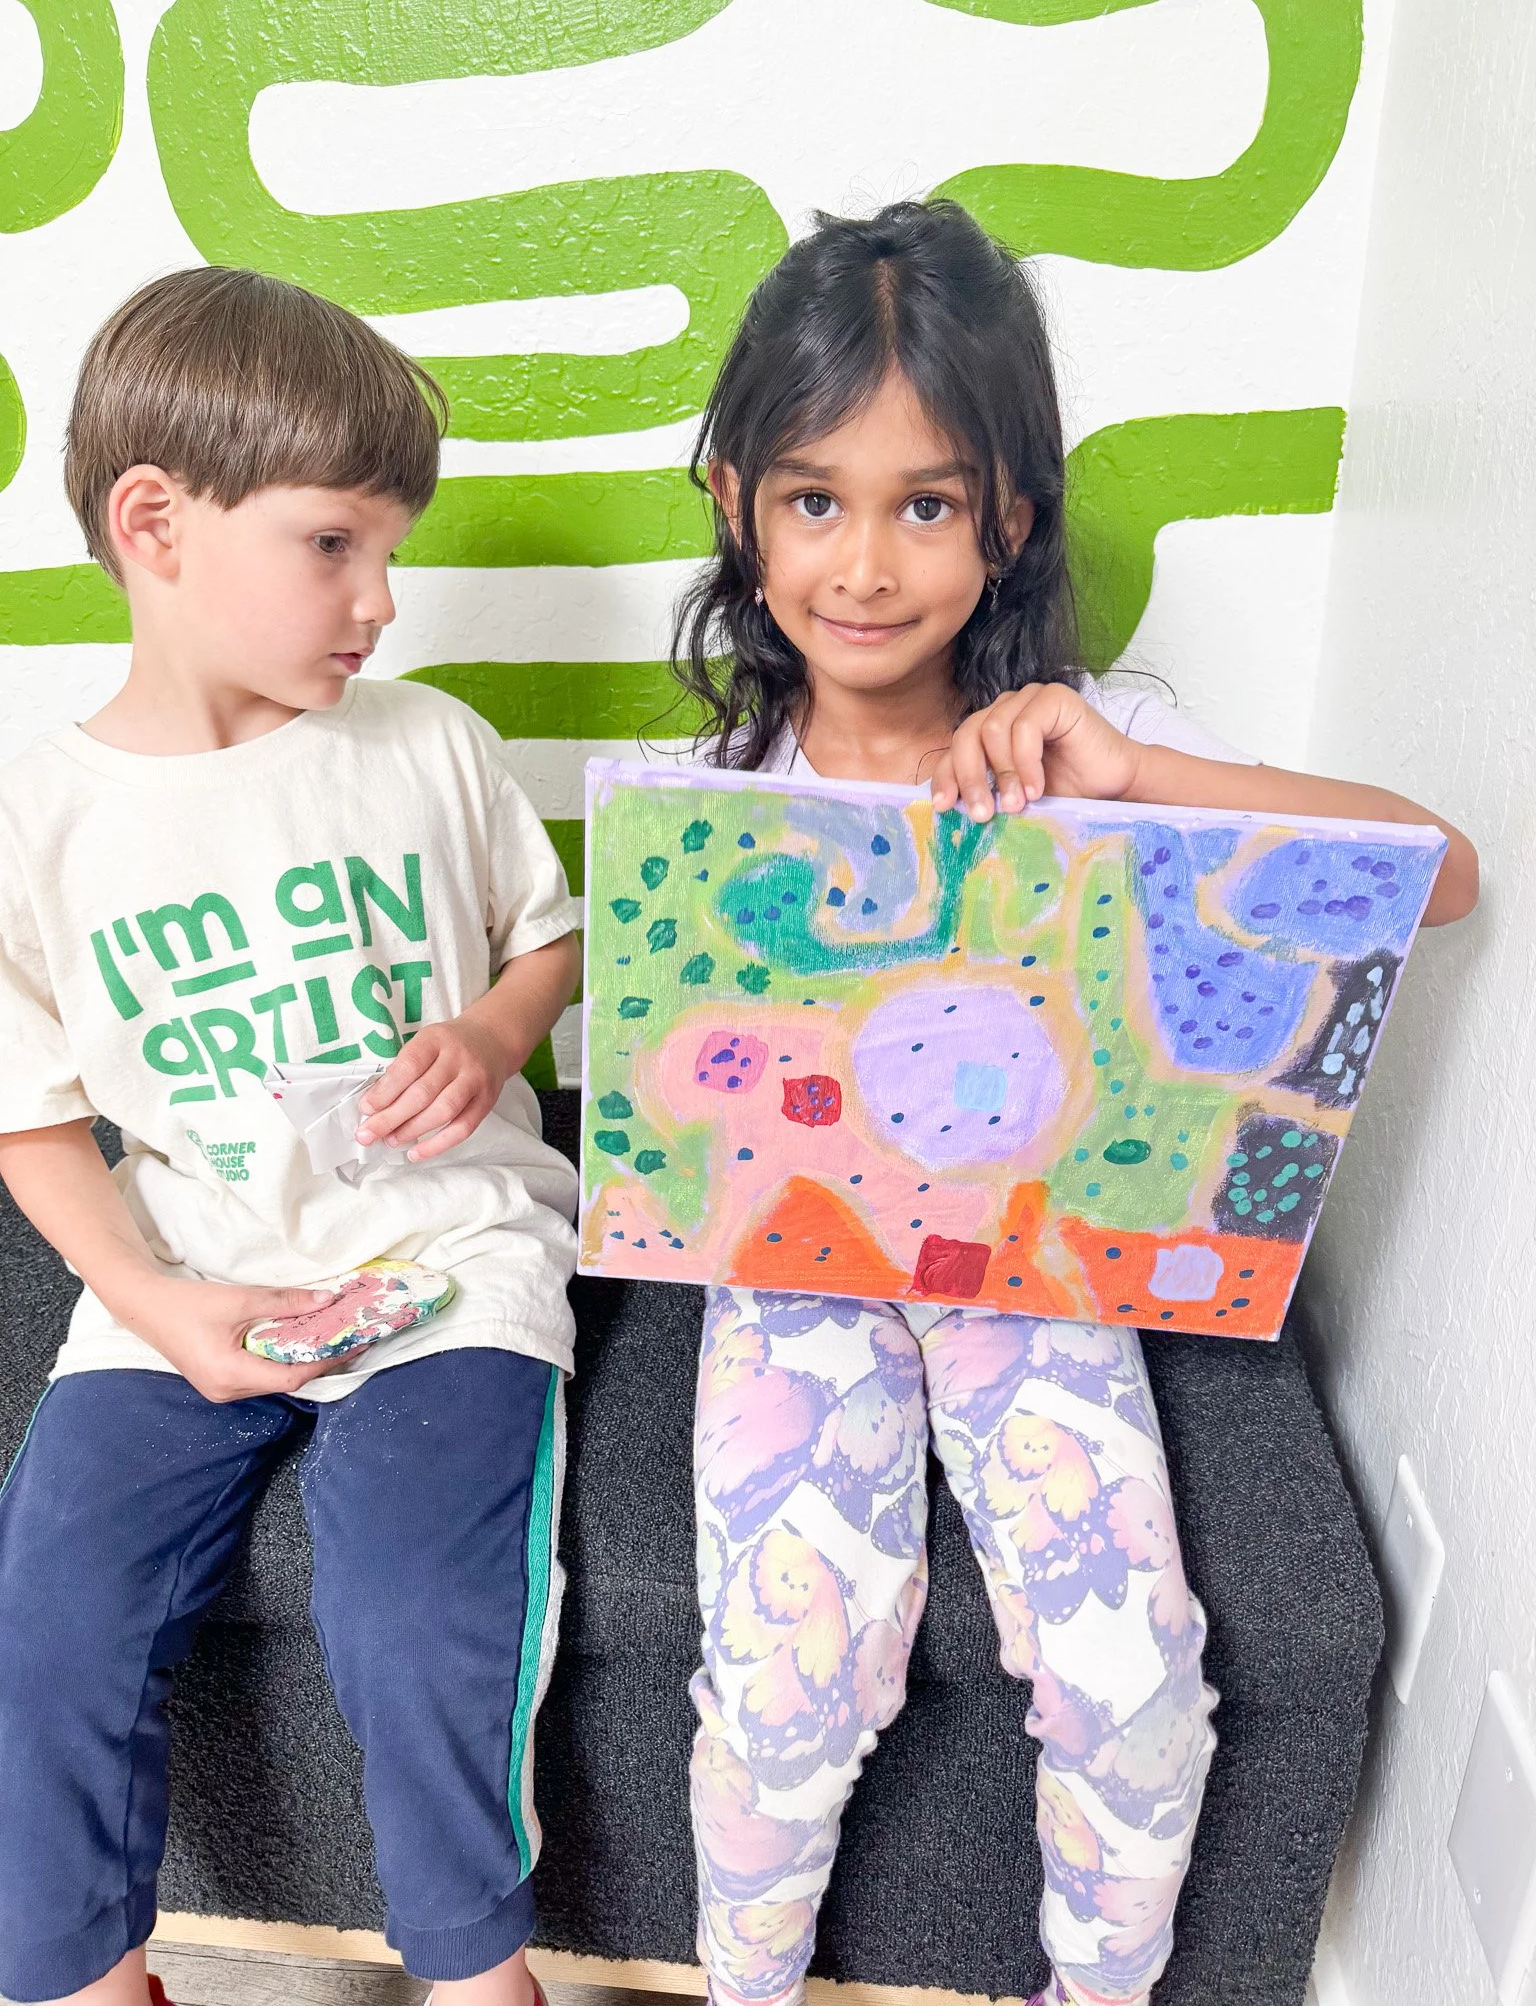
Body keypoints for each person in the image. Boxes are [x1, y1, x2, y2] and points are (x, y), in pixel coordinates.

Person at [668, 201, 1478, 2006]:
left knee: (1134, 1684)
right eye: (817, 500)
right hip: (801, 1265)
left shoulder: (1084, 749)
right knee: (791, 1675)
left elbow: (1443, 873)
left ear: (1009, 516)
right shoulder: (711, 797)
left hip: (1040, 1258)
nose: (866, 565)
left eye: (927, 504)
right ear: (737, 499)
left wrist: (1128, 774)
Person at [0, 269, 581, 2006]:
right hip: (189, 1269)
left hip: (448, 1253)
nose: (382, 600)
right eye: (336, 545)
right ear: (156, 525)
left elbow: (545, 940)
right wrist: (158, 1304)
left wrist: (489, 1032)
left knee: (412, 1613)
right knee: (48, 1612)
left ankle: (478, 1969)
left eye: (389, 550)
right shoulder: (39, 817)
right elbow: (31, 1121)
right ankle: (79, 1972)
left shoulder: (430, 749)